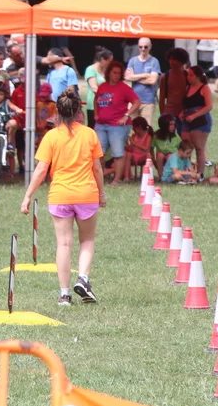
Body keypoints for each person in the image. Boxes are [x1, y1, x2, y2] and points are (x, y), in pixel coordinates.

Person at [21, 91, 105, 306]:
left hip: (60, 195)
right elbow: (97, 168)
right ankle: (83, 279)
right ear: (78, 111)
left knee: (64, 244)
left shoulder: (51, 136)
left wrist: (28, 195)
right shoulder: (89, 134)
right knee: (87, 240)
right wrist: (101, 193)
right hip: (86, 194)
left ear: (57, 111)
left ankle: (64, 294)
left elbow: (41, 169)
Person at [93, 60, 140, 186]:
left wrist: (126, 116)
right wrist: (96, 114)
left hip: (117, 126)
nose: (116, 75)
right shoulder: (102, 86)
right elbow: (96, 100)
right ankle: (99, 178)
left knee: (118, 153)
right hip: (101, 124)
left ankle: (117, 179)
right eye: (114, 73)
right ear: (108, 73)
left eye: (119, 73)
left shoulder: (124, 88)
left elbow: (136, 102)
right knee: (98, 153)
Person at [181, 65, 214, 179]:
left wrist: (194, 116)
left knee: (199, 148)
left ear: (198, 76)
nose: (188, 77)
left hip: (201, 120)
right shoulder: (187, 88)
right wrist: (182, 113)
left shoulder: (204, 88)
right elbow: (186, 104)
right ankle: (187, 172)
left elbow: (209, 106)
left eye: (191, 75)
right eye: (188, 75)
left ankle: (200, 173)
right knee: (186, 146)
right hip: (187, 120)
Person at [125, 37, 161, 126]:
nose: (143, 49)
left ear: (150, 47)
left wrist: (134, 77)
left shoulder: (154, 61)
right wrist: (145, 75)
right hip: (133, 100)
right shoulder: (133, 61)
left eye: (146, 47)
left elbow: (153, 80)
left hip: (148, 101)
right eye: (140, 47)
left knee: (146, 128)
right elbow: (127, 77)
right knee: (132, 127)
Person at [158, 48, 190, 130]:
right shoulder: (165, 77)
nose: (171, 62)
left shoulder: (187, 76)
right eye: (170, 59)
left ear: (182, 61)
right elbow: (161, 98)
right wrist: (163, 115)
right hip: (169, 113)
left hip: (183, 114)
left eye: (174, 59)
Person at [84, 48, 112, 123]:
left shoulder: (106, 71)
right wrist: (108, 97)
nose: (110, 64)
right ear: (102, 59)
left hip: (107, 105)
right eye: (109, 61)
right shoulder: (90, 69)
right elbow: (94, 88)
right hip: (94, 106)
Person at [122, 117, 153, 181]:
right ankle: (126, 176)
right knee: (126, 154)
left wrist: (134, 143)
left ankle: (127, 175)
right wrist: (126, 144)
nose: (132, 129)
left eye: (133, 127)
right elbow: (131, 148)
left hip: (143, 157)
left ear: (139, 127)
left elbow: (146, 148)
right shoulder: (134, 136)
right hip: (133, 156)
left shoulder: (148, 136)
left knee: (128, 155)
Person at [152, 114, 180, 180]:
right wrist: (153, 159)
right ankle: (161, 176)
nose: (173, 126)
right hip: (161, 156)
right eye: (171, 124)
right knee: (160, 155)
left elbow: (180, 148)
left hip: (173, 156)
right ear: (164, 125)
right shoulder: (156, 136)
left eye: (174, 124)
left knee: (170, 155)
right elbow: (151, 147)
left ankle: (170, 175)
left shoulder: (175, 136)